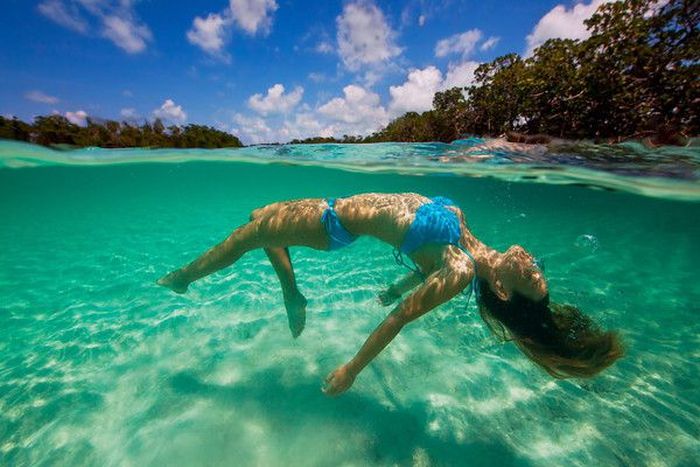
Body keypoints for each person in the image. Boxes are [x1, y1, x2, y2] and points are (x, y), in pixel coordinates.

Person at [157, 193, 623, 395]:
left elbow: (401, 318)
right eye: (539, 270)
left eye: (532, 277)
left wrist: (352, 369)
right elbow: (426, 261)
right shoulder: (468, 247)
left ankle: (183, 278)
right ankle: (292, 294)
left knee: (246, 237)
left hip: (332, 222)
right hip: (332, 205)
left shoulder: (461, 270)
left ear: (502, 288)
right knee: (260, 218)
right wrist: (403, 282)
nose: (533, 264)